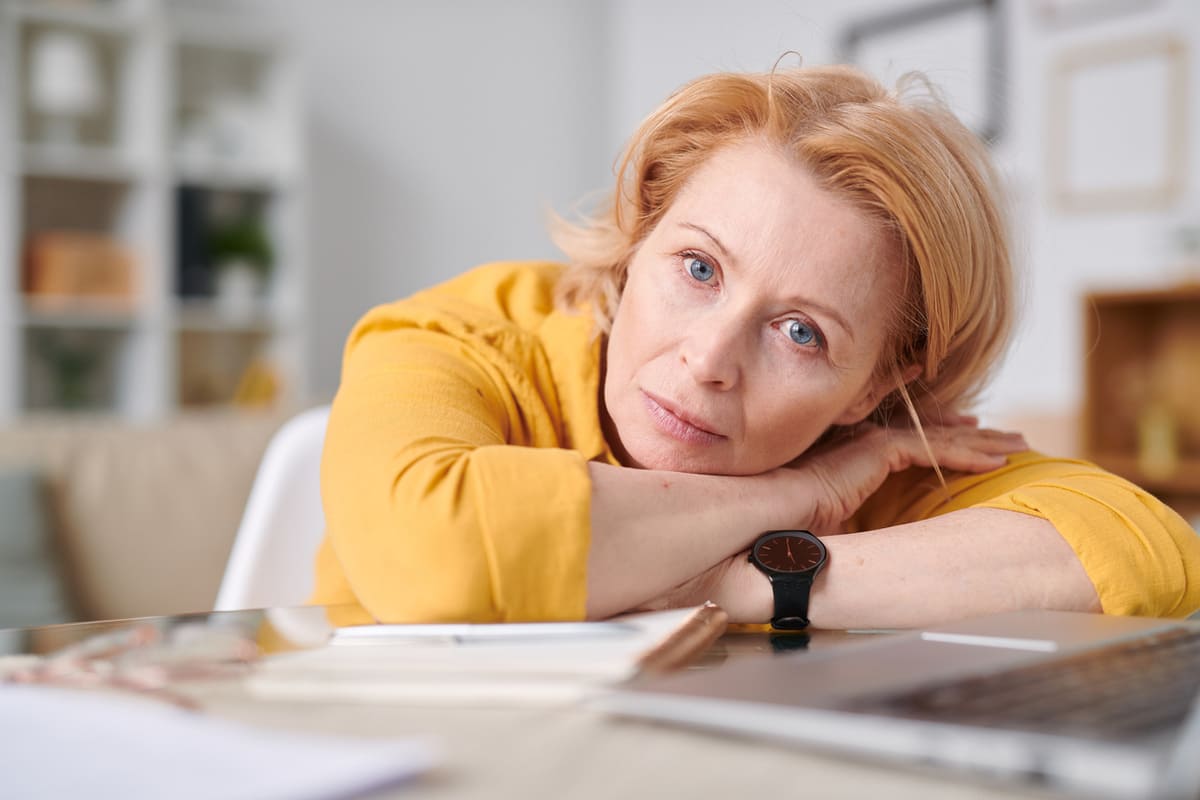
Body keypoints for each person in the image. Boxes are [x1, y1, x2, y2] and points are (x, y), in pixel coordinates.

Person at [312, 64, 1200, 628]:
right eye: (698, 268)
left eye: (801, 333)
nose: (710, 359)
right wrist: (795, 494)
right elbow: (443, 549)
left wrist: (749, 580)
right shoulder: (456, 337)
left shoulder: (874, 449)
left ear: (871, 389)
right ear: (638, 233)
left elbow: (1148, 551)